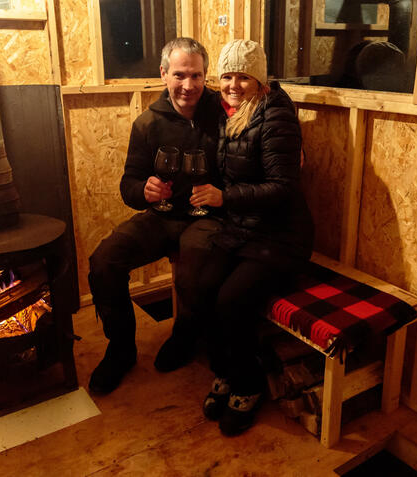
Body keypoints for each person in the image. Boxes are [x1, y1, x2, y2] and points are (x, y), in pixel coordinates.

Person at [181, 39, 314, 436]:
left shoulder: (276, 117)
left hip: (281, 235)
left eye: (243, 76)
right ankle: (225, 371)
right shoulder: (233, 114)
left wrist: (225, 196)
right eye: (227, 75)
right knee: (202, 287)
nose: (233, 84)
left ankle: (249, 383)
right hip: (243, 227)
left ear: (260, 80)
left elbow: (283, 188)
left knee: (231, 300)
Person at [87, 37, 221, 394]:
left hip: (207, 216)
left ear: (206, 76)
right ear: (164, 74)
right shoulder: (147, 123)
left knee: (194, 261)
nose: (188, 85)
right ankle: (121, 349)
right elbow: (128, 184)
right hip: (161, 216)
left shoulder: (222, 114)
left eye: (196, 76)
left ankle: (184, 336)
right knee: (104, 261)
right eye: (179, 75)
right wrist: (141, 191)